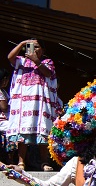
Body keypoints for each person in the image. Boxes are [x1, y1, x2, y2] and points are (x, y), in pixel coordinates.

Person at [6, 39, 60, 171]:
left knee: (42, 131)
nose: (34, 49)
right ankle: (21, 162)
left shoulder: (47, 62)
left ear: (43, 50)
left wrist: (36, 60)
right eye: (31, 47)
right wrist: (21, 44)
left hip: (40, 103)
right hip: (24, 103)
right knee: (23, 131)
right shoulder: (21, 61)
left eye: (37, 47)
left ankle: (44, 162)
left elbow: (48, 73)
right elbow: (10, 57)